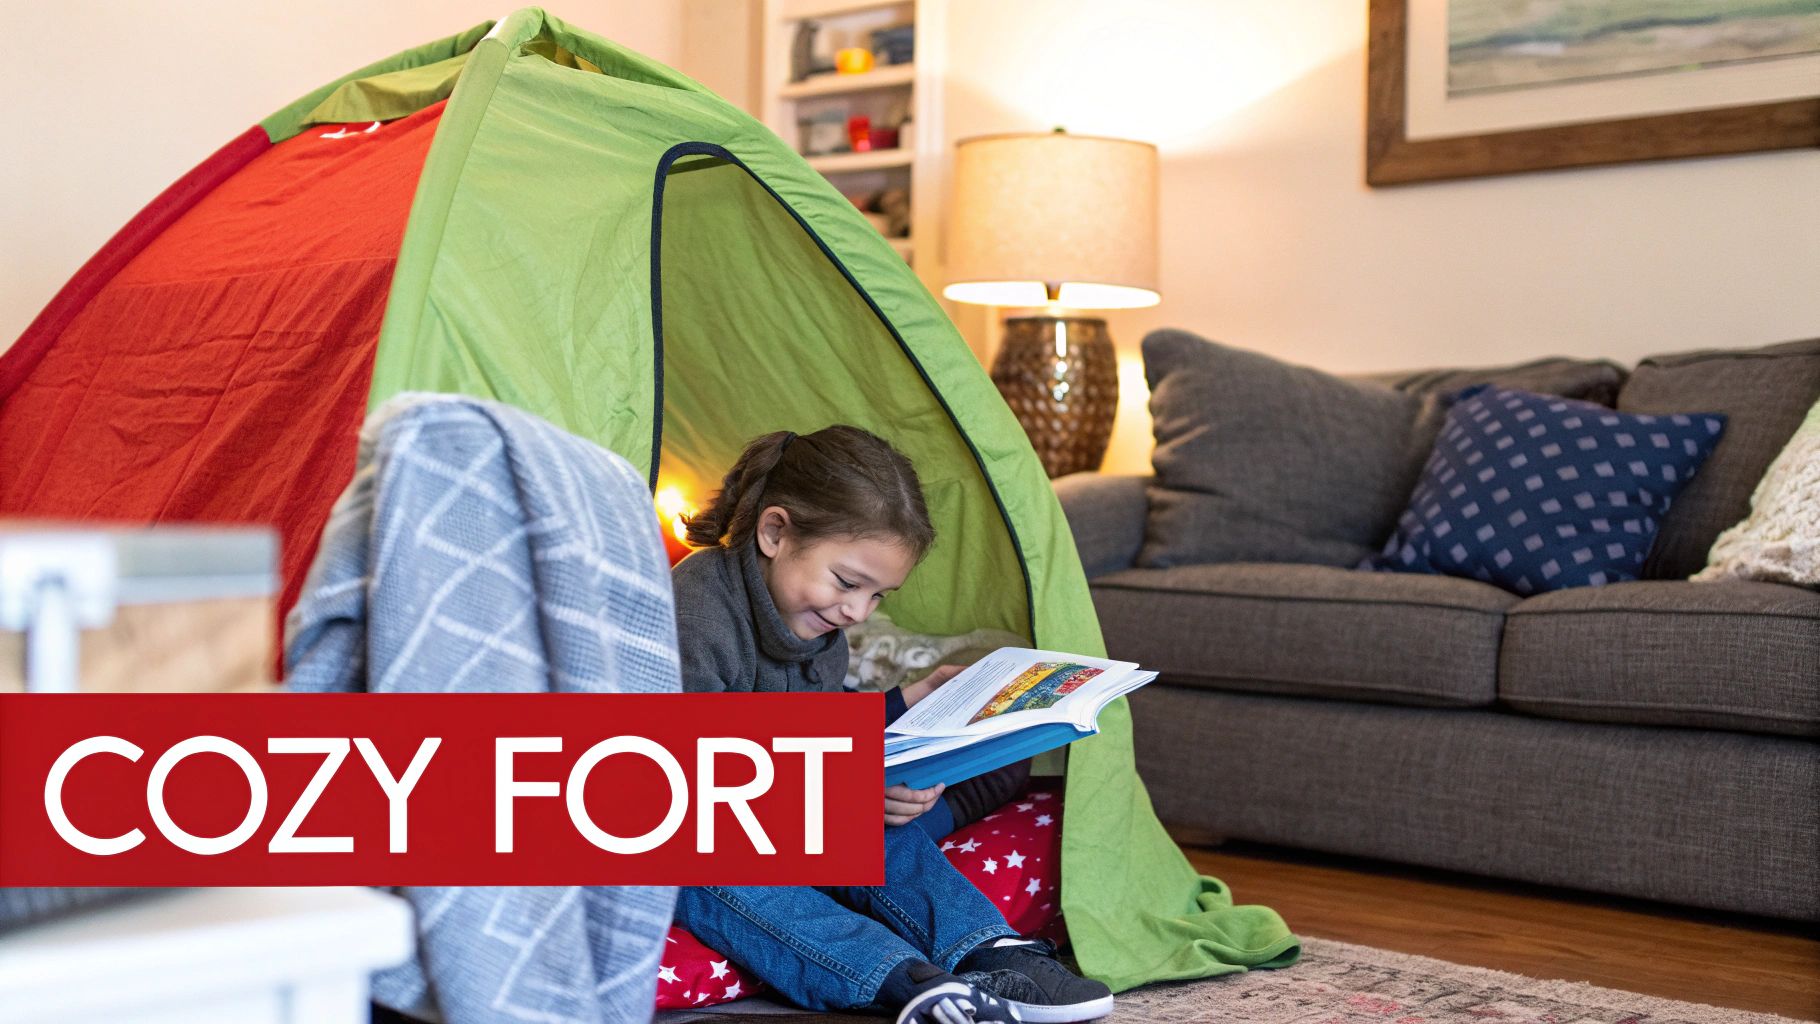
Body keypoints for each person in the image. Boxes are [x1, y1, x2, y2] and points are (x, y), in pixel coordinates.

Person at [669, 425, 1115, 1024]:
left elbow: (802, 733)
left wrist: (906, 715)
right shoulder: (695, 609)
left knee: (877, 828)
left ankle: (985, 949)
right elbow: (679, 774)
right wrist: (837, 783)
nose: (856, 611)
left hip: (764, 810)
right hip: (674, 819)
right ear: (774, 532)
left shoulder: (822, 634)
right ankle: (905, 979)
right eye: (848, 583)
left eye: (878, 597)